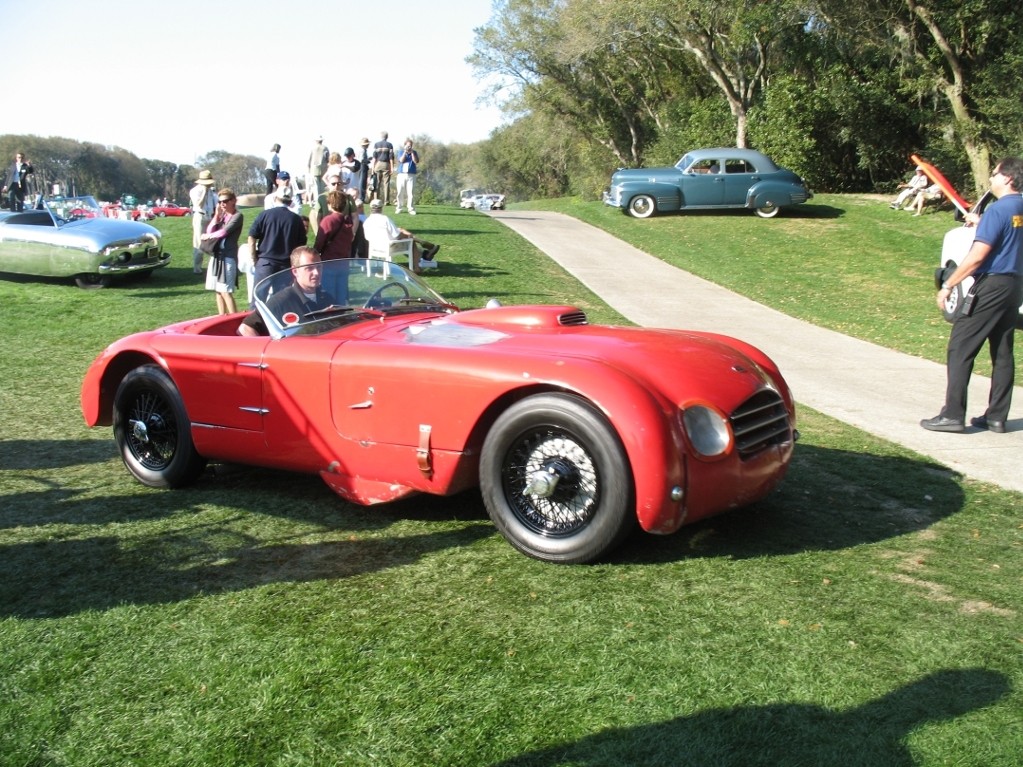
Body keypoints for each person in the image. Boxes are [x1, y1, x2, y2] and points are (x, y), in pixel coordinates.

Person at [920, 156, 1023, 434]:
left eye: (996, 173)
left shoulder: (998, 211)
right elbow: (1010, 236)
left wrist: (949, 284)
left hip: (990, 286)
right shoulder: (1016, 208)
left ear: (1008, 178)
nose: (992, 177)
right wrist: (981, 223)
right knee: (1002, 351)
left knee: (960, 347)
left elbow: (977, 257)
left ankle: (953, 415)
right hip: (1014, 287)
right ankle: (996, 417)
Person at [238, 247, 335, 336]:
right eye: (309, 268)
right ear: (295, 271)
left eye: (319, 267)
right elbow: (245, 328)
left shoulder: (327, 299)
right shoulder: (281, 301)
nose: (316, 273)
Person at [247, 186, 308, 286]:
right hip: (285, 266)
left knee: (258, 299)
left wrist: (254, 258)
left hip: (266, 263)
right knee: (281, 300)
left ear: (275, 198)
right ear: (290, 202)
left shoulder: (264, 215)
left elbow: (252, 238)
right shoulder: (296, 219)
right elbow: (300, 246)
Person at [362, 198, 439, 272]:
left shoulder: (367, 221)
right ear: (381, 208)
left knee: (401, 230)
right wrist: (407, 236)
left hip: (375, 246)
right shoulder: (385, 219)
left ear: (370, 208)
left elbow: (367, 237)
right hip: (389, 246)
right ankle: (417, 266)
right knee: (410, 241)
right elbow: (396, 236)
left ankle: (424, 249)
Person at [200, 188, 244, 315]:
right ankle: (221, 317)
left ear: (233, 201)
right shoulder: (222, 216)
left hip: (228, 257)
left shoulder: (238, 216)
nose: (222, 204)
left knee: (225, 291)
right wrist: (216, 216)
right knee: (218, 291)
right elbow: (210, 230)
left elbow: (224, 232)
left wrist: (208, 237)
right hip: (217, 256)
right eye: (220, 202)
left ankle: (234, 319)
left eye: (225, 201)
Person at [314, 189, 357, 261]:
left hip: (329, 258)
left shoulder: (328, 220)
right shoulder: (348, 220)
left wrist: (315, 252)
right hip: (344, 258)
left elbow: (320, 241)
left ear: (330, 205)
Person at [189, 170, 218, 274]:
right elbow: (198, 205)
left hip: (209, 217)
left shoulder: (212, 192)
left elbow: (215, 204)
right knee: (198, 242)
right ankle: (197, 268)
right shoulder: (195, 191)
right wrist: (204, 193)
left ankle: (214, 265)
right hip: (199, 216)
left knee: (212, 241)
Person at [394, 138, 419, 215]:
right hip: (402, 174)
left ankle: (411, 208)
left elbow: (416, 161)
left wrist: (411, 153)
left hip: (411, 174)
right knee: (400, 192)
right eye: (408, 146)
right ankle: (399, 207)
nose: (409, 147)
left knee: (410, 192)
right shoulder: (401, 152)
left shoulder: (414, 152)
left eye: (410, 146)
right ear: (404, 145)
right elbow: (401, 160)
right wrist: (405, 152)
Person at [371, 130, 395, 205]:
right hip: (386, 164)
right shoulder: (389, 145)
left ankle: (376, 200)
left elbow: (374, 158)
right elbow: (391, 157)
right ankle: (386, 201)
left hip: (377, 164)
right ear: (387, 137)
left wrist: (372, 168)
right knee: (386, 183)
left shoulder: (376, 145)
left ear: (381, 136)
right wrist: (392, 167)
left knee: (377, 183)